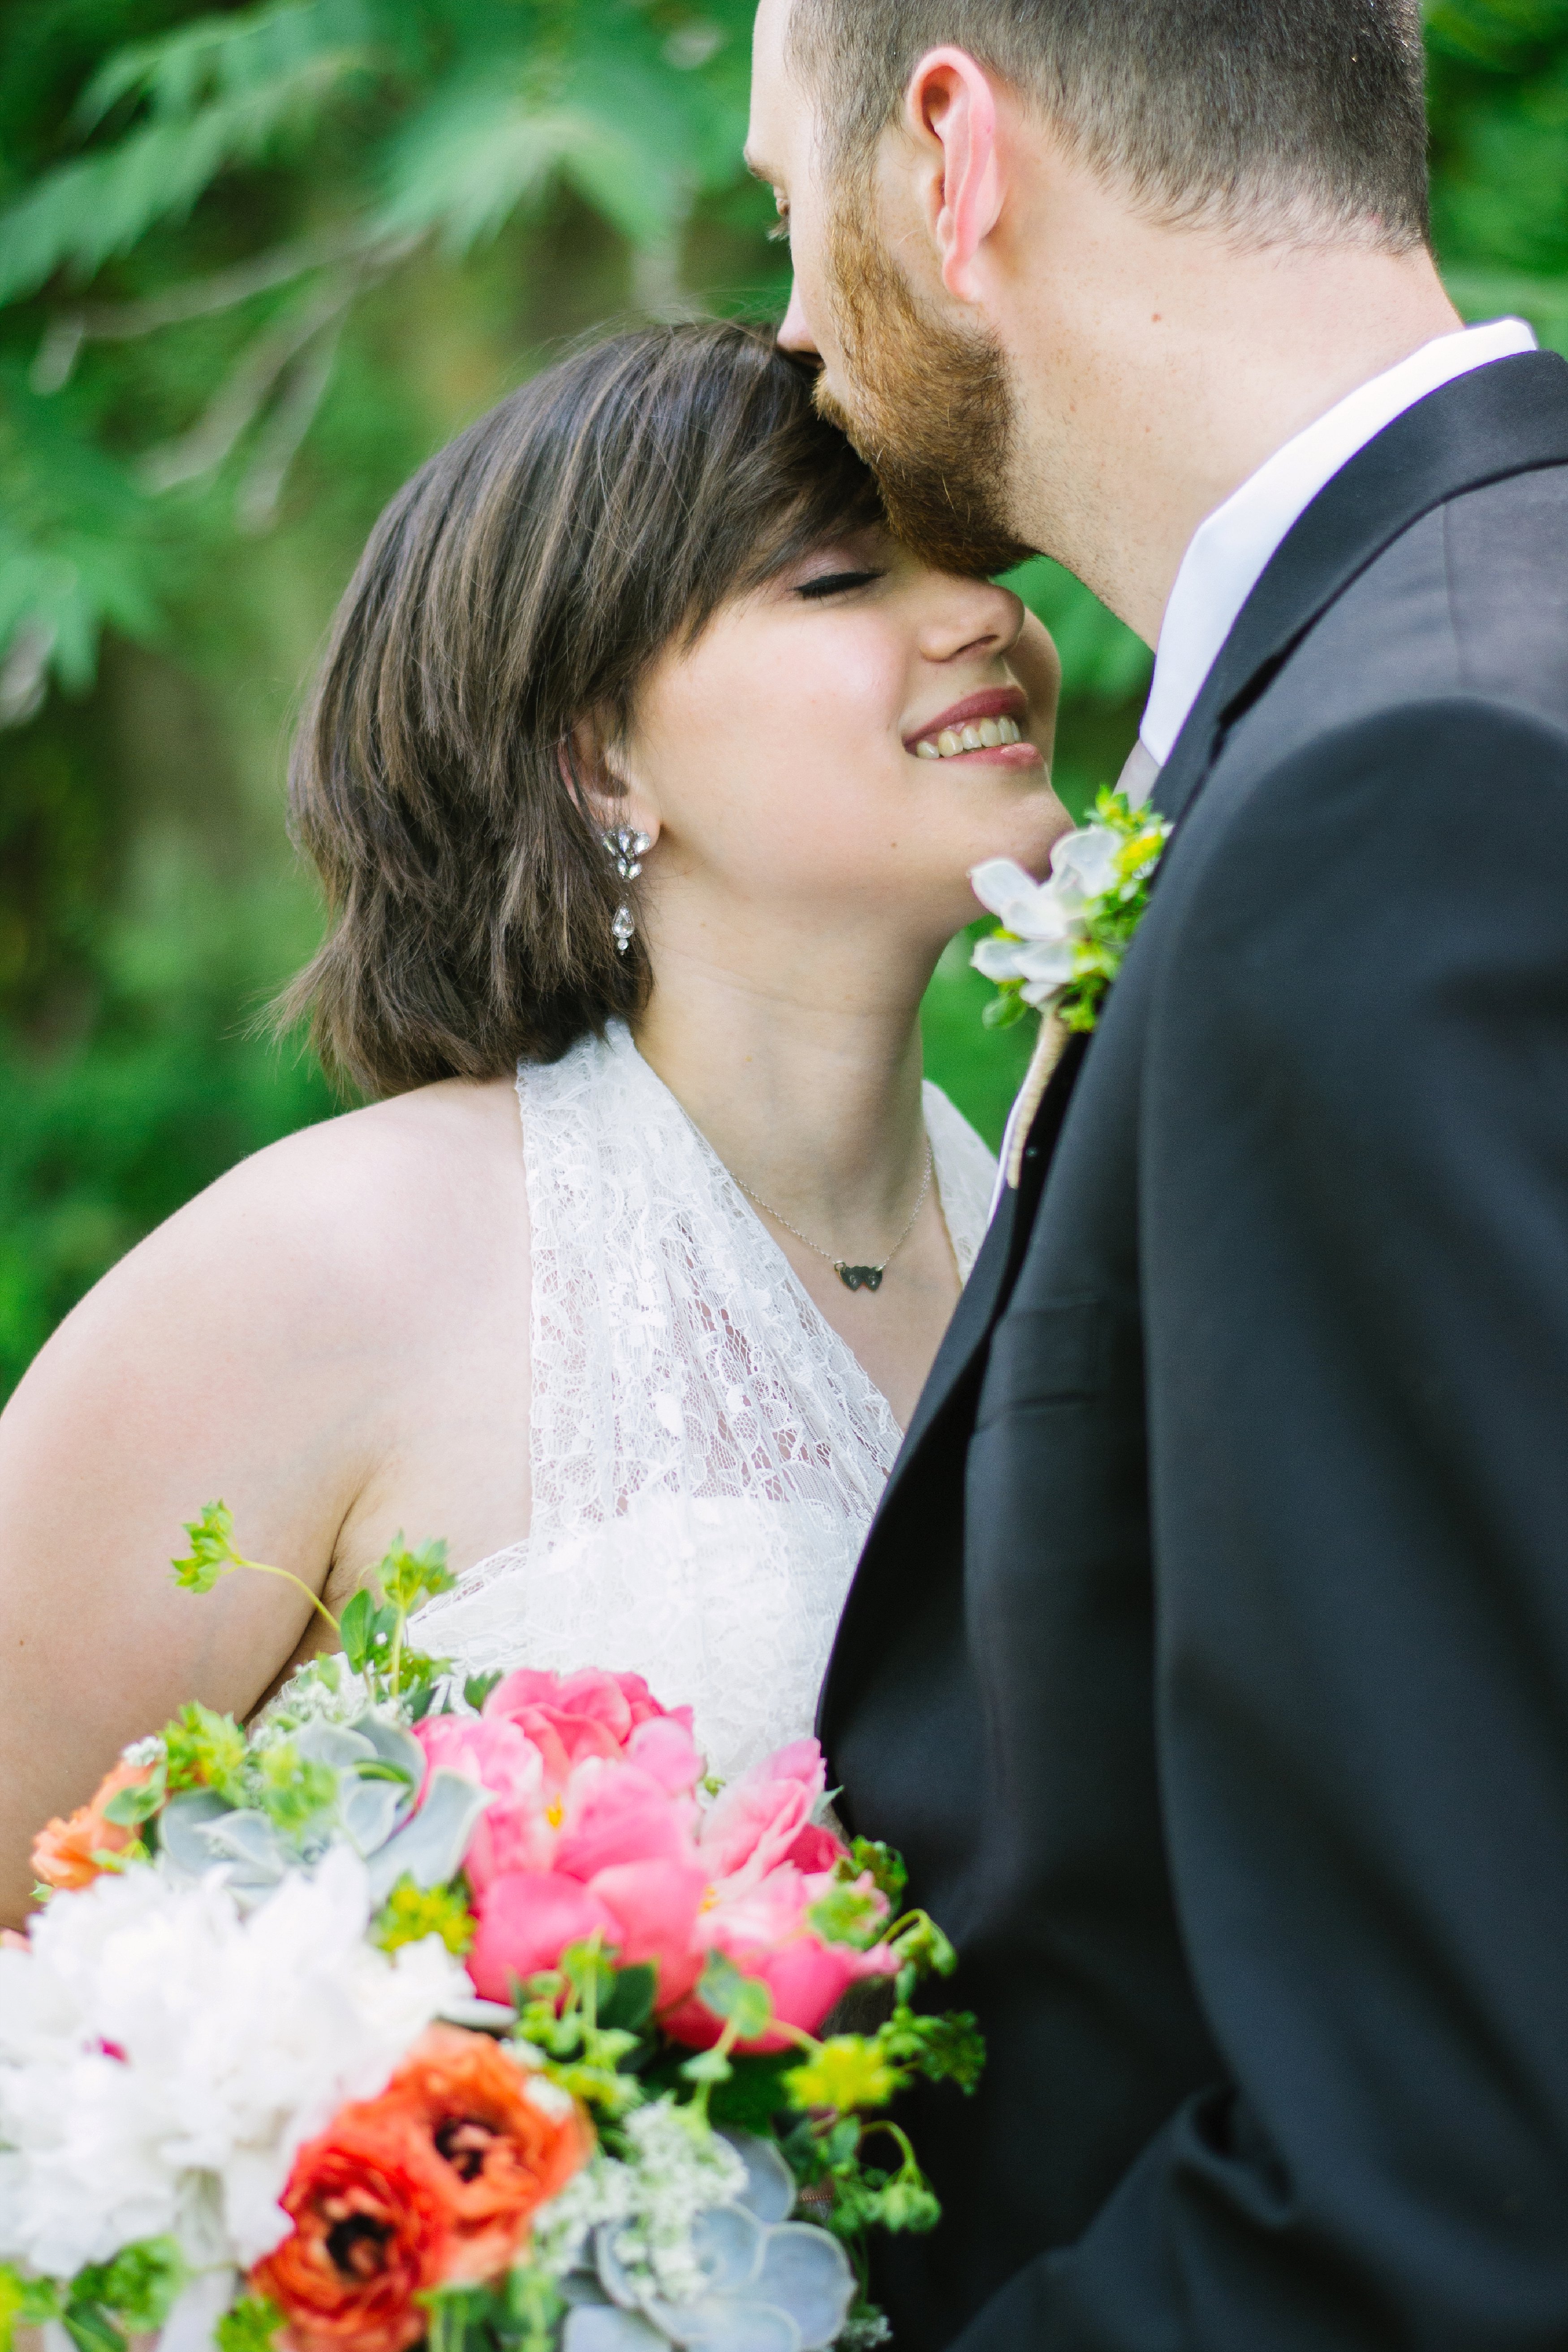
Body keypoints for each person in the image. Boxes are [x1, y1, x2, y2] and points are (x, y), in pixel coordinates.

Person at [749, 0, 1568, 2344]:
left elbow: (1459, 2176)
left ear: (948, 159)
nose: (793, 317)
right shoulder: (1460, 652)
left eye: (780, 208)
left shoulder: (1393, 793)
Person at [0, 319, 1067, 1927]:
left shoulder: (1072, 1224)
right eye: (843, 580)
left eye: (973, 555)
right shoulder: (328, 1262)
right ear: (598, 761)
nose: (989, 611)